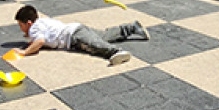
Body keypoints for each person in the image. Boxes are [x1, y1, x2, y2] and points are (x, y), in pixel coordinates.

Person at [14, 5, 149, 66]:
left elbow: (40, 41)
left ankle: (116, 52)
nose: (21, 29)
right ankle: (132, 28)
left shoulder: (34, 29)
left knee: (95, 44)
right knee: (104, 35)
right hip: (76, 28)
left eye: (21, 25)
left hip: (74, 36)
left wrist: (24, 52)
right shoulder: (41, 22)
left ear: (29, 23)